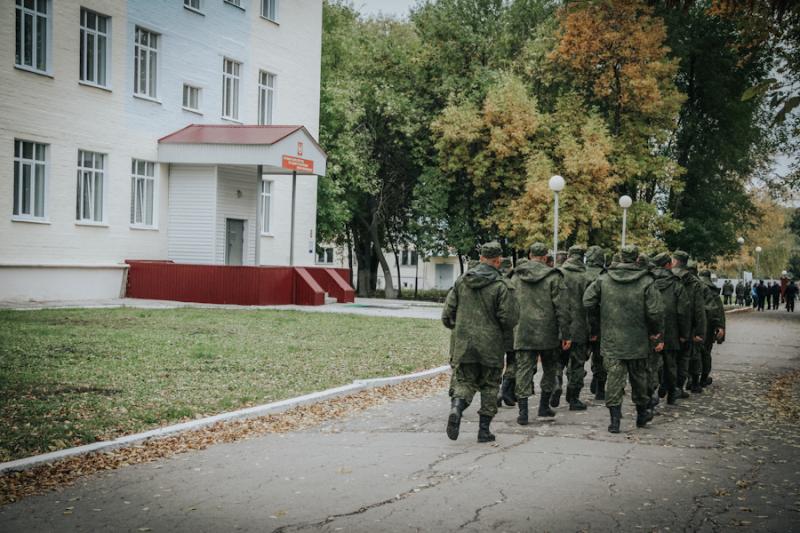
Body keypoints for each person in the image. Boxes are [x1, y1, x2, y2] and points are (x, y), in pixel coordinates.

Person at [442, 242, 519, 442]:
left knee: (465, 381)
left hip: (464, 344)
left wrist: (459, 330)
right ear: (498, 260)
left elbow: (447, 314)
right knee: (490, 385)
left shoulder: (461, 282)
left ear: (481, 257)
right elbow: (509, 320)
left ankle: (457, 408)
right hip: (491, 346)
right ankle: (484, 431)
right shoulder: (502, 285)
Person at [584, 245, 665, 433]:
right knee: (639, 378)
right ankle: (641, 414)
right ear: (637, 259)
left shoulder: (604, 279)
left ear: (620, 257)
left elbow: (588, 301)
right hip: (638, 339)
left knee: (614, 378)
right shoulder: (646, 281)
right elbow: (655, 311)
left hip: (612, 338)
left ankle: (614, 421)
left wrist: (599, 319)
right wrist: (655, 331)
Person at [512, 242, 571, 425]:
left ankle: (523, 412)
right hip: (548, 331)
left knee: (523, 370)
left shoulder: (516, 276)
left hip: (523, 330)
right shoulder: (554, 277)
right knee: (549, 369)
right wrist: (566, 333)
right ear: (546, 257)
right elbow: (562, 308)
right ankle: (543, 407)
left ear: (530, 255)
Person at [651, 252, 691, 405]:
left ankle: (653, 390)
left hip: (653, 331)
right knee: (671, 363)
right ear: (668, 265)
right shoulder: (676, 284)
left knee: (652, 362)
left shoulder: (648, 281)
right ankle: (671, 393)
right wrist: (684, 333)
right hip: (671, 330)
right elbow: (683, 311)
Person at [555, 245, 591, 411]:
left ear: (569, 255)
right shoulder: (587, 277)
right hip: (580, 327)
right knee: (577, 364)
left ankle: (555, 384)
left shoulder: (557, 274)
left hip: (558, 327)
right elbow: (592, 305)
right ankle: (573, 398)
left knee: (557, 361)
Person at [671, 252, 707, 398]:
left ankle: (666, 385)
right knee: (684, 358)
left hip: (669, 324)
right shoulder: (695, 283)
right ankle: (679, 387)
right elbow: (699, 309)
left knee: (669, 357)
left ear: (674, 261)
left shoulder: (667, 276)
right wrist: (700, 332)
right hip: (688, 326)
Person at [585, 245, 607, 400]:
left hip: (580, 322)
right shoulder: (605, 276)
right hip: (601, 323)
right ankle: (600, 388)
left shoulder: (581, 273)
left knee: (577, 358)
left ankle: (572, 394)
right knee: (600, 357)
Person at [698, 270, 726, 388]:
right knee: (706, 352)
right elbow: (719, 313)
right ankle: (704, 377)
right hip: (709, 326)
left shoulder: (695, 287)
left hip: (696, 325)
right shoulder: (714, 293)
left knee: (695, 353)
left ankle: (691, 378)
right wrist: (721, 329)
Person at [497, 257, 517, 407]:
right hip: (510, 330)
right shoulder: (512, 283)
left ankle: (496, 391)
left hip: (495, 331)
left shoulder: (494, 282)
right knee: (512, 361)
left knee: (497, 363)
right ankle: (506, 390)